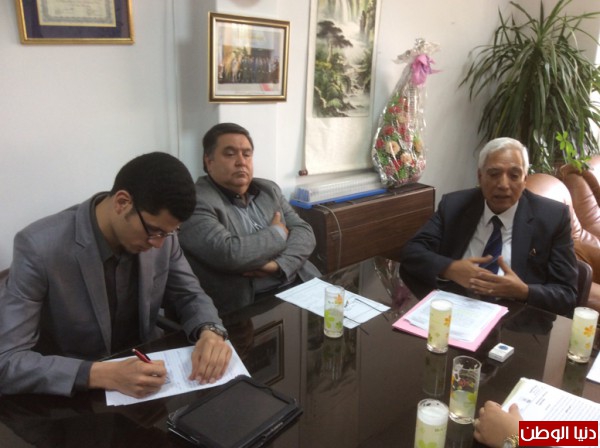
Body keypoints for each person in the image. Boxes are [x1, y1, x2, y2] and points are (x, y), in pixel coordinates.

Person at [0, 152, 232, 397]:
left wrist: (210, 331)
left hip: (150, 376)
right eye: (154, 231)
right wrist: (101, 373)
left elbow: (190, 294)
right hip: (79, 395)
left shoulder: (162, 236)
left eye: (169, 233)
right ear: (122, 202)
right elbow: (7, 360)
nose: (158, 244)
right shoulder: (39, 247)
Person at [400, 137, 577, 316]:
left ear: (525, 179)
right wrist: (450, 269)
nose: (503, 185)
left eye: (514, 175)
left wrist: (524, 291)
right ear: (480, 176)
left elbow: (567, 295)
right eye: (494, 174)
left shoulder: (552, 218)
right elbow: (412, 252)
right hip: (454, 310)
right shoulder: (454, 205)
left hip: (514, 320)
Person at [178, 123, 320, 315]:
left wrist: (278, 265)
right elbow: (230, 254)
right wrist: (278, 233)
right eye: (230, 154)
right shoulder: (195, 202)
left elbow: (304, 232)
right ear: (209, 161)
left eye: (247, 154)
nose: (241, 162)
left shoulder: (269, 189)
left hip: (299, 282)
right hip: (251, 305)